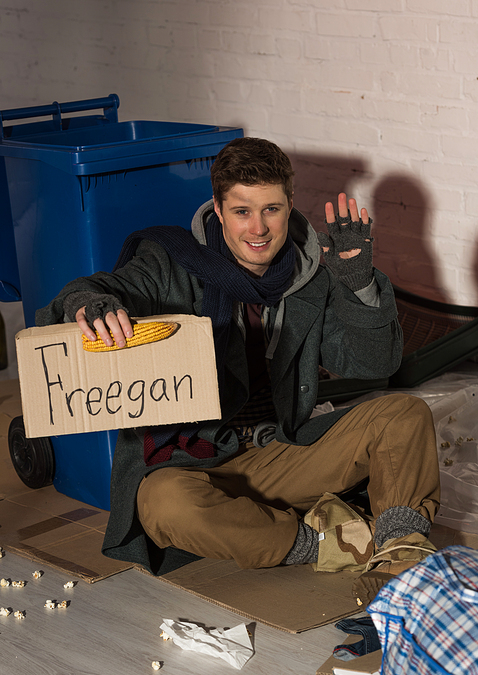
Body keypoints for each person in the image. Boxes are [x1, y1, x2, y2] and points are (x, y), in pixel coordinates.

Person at [36, 137, 440, 605]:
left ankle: (401, 555)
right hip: (194, 463)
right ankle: (332, 541)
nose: (259, 228)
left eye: (271, 209)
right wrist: (90, 303)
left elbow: (374, 365)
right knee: (164, 505)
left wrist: (358, 284)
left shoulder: (312, 272)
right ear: (219, 210)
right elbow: (96, 288)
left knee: (404, 415)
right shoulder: (171, 262)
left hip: (282, 447)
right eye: (243, 211)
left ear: (290, 206)